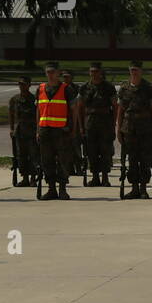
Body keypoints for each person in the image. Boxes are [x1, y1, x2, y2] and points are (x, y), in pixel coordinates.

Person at [116, 60, 152, 199]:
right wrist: (118, 129)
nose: (134, 72)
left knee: (145, 159)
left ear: (141, 71)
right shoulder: (124, 88)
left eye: (137, 70)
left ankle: (143, 188)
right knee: (132, 159)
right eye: (132, 70)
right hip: (129, 128)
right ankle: (134, 188)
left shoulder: (148, 88)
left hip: (145, 128)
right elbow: (121, 110)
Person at [36, 61, 76, 200]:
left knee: (63, 160)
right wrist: (38, 129)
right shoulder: (40, 88)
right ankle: (51, 188)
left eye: (53, 72)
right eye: (48, 72)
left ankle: (62, 189)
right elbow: (38, 110)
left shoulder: (66, 89)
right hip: (45, 130)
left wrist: (72, 129)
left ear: (58, 73)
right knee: (47, 161)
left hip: (61, 132)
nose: (51, 75)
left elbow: (73, 111)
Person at [77, 61, 117, 187]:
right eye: (91, 71)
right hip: (90, 123)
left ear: (100, 73)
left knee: (105, 151)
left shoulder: (109, 87)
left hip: (105, 122)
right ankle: (95, 177)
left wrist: (113, 123)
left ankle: (105, 177)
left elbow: (115, 106)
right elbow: (80, 107)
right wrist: (81, 126)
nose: (93, 74)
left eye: (96, 71)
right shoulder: (84, 88)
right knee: (91, 151)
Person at [8, 75, 37, 187]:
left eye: (24, 84)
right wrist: (11, 128)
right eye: (20, 84)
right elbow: (11, 114)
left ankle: (33, 178)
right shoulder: (14, 99)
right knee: (21, 155)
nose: (22, 86)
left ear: (29, 85)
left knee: (33, 155)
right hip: (19, 131)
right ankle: (24, 178)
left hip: (31, 131)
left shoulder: (34, 99)